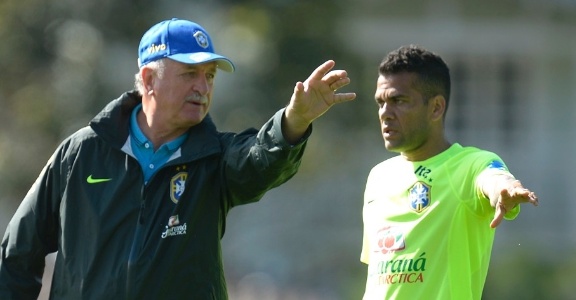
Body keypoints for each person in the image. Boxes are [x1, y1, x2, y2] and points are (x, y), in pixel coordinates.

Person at [0, 18, 356, 299]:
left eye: (210, 76)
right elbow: (17, 256)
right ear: (149, 79)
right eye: (189, 74)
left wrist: (293, 122)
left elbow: (260, 160)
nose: (203, 88)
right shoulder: (80, 154)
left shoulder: (215, 156)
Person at [360, 45, 538, 299]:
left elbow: (492, 177)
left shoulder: (469, 165)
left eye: (399, 101)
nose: (385, 113)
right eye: (381, 103)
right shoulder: (378, 178)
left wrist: (504, 189)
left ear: (436, 108)